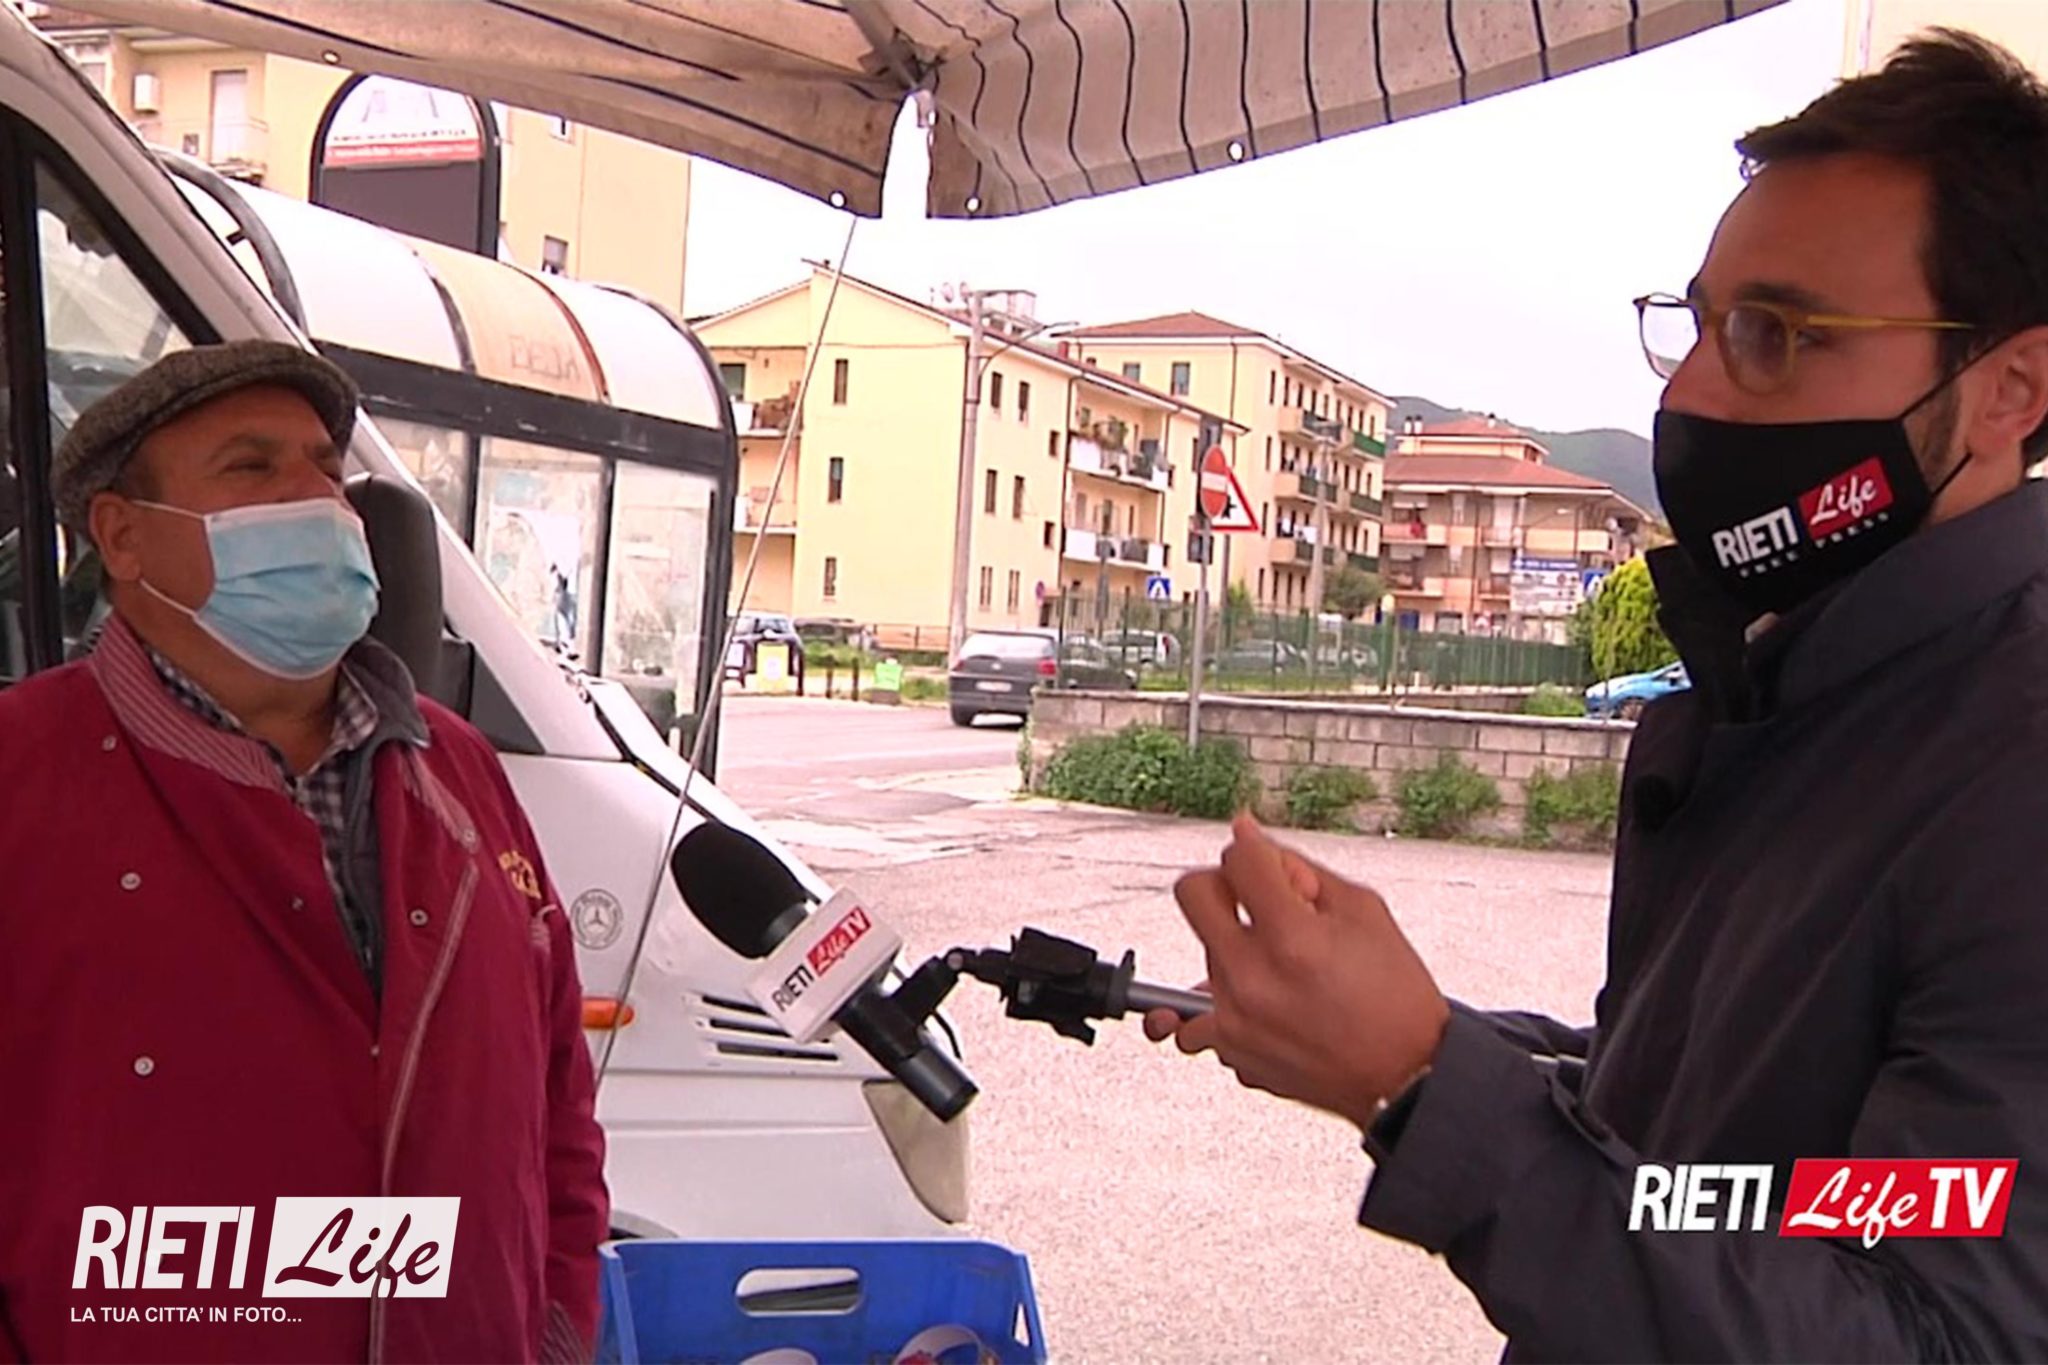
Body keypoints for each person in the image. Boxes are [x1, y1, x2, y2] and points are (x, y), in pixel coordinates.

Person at [1148, 31, 2048, 1361]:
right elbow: (1733, 1162)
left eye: (1778, 335)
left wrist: (1421, 1082)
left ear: (2007, 390)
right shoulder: (1791, 695)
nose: (1693, 390)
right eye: (1700, 324)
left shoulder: (2015, 768)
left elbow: (1932, 1330)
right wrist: (1413, 1040)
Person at [0, 340, 608, 1362]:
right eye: (251, 467)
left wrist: (551, 1333)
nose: (317, 499)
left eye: (326, 468)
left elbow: (556, 1106)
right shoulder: (20, 778)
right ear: (123, 536)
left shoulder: (456, 768)